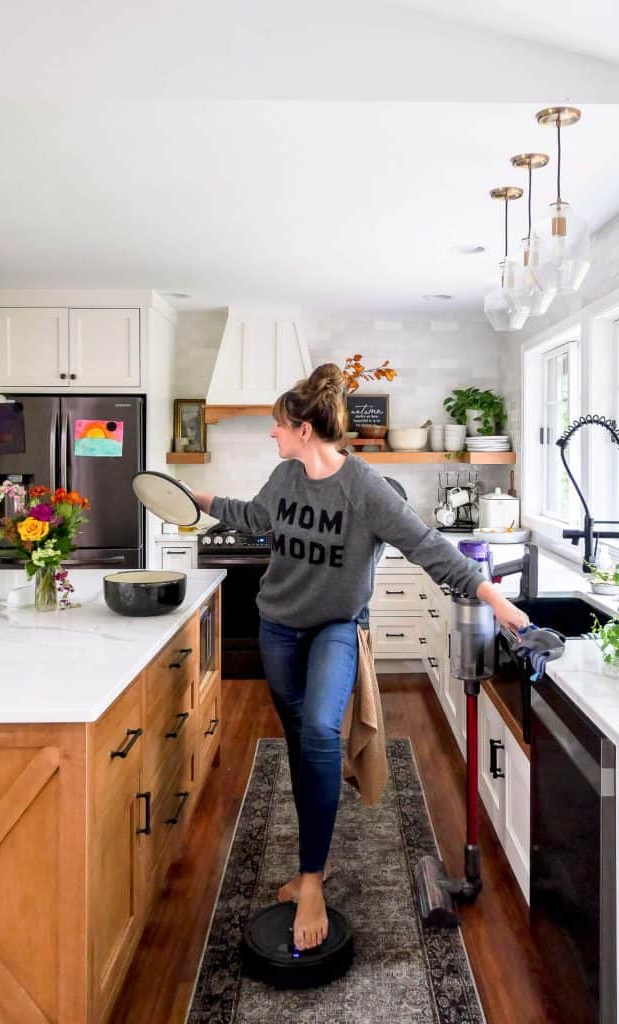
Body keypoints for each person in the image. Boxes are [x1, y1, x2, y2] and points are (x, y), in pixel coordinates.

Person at [192, 363, 529, 953]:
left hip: (335, 629)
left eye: (276, 426)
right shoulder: (285, 477)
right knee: (301, 742)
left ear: (301, 427)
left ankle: (314, 882)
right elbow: (254, 515)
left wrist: (497, 600)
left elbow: (429, 547)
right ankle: (306, 865)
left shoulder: (366, 489)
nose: (272, 434)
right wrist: (188, 498)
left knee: (322, 731)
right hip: (278, 628)